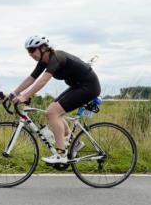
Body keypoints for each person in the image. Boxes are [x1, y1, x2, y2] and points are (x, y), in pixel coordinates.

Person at [9, 35, 100, 164]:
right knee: (50, 112)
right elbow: (31, 78)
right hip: (78, 86)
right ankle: (75, 143)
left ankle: (61, 154)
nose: (30, 54)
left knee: (53, 112)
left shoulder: (56, 57)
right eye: (28, 51)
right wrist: (13, 93)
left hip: (89, 86)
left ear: (43, 48)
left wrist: (25, 96)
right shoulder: (43, 61)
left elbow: (43, 80)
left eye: (32, 50)